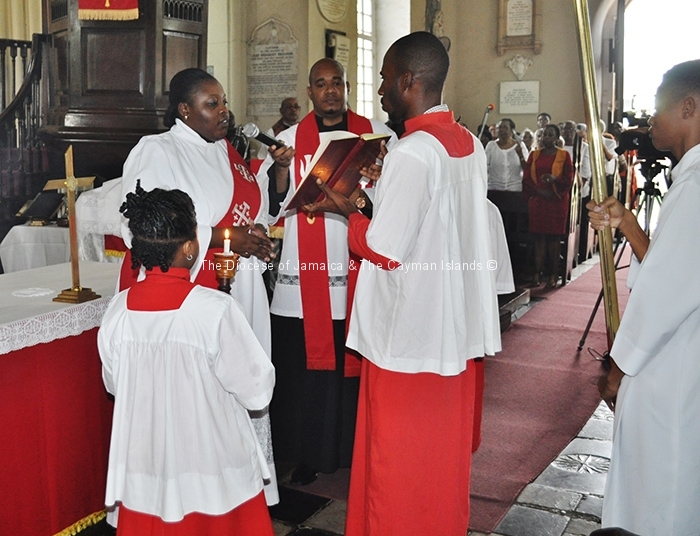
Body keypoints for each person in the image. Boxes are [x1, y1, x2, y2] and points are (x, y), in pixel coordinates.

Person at [305, 31, 502, 535]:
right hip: (452, 330)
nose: (380, 91)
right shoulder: (468, 144)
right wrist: (372, 199)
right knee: (439, 462)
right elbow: (435, 228)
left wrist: (347, 211)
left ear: (409, 81)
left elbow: (386, 249)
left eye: (386, 78)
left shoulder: (413, 152)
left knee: (397, 463)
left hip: (409, 338)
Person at [117, 67, 280, 504]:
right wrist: (228, 237)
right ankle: (188, 496)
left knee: (239, 382)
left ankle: (237, 491)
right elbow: (142, 228)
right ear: (185, 110)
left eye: (224, 101)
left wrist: (256, 234)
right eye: (212, 104)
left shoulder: (225, 150)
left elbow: (250, 210)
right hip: (187, 296)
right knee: (195, 401)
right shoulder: (158, 151)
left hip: (237, 289)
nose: (224, 111)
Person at [99, 184, 275, 535]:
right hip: (212, 469)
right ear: (191, 247)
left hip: (147, 469)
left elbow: (114, 384)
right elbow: (257, 392)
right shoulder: (215, 309)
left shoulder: (118, 309)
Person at [256, 58, 396, 485]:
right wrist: (282, 169)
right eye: (321, 84)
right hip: (303, 276)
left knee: (351, 367)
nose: (330, 91)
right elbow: (270, 207)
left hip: (359, 266)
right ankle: (307, 452)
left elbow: (395, 202)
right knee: (306, 373)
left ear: (347, 87)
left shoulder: (376, 137)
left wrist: (378, 177)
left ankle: (355, 448)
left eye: (337, 83)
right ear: (310, 92)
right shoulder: (286, 141)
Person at [588, 59, 700, 536]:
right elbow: (678, 269)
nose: (651, 118)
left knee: (659, 501)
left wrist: (618, 369)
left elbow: (664, 296)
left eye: (659, 106)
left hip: (673, 369)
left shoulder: (695, 186)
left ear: (689, 108)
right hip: (682, 360)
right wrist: (630, 225)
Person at [522, 123, 574, 287]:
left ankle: (553, 274)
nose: (547, 138)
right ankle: (537, 274)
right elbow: (527, 178)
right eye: (545, 134)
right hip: (538, 200)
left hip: (556, 201)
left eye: (550, 135)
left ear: (557, 138)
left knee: (553, 239)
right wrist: (538, 191)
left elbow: (569, 178)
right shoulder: (534, 155)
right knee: (538, 238)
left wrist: (554, 179)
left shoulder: (564, 155)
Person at [485, 117, 528, 191]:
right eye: (499, 128)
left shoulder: (520, 145)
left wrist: (520, 155)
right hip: (494, 188)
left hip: (515, 188)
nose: (501, 130)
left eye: (505, 127)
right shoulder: (491, 146)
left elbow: (527, 169)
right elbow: (485, 166)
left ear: (512, 131)